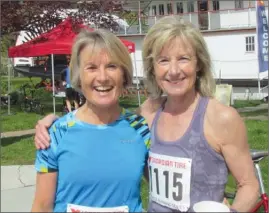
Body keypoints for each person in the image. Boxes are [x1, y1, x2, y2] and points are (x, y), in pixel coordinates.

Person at [34, 16, 259, 212]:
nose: (174, 71)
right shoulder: (147, 116)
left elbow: (249, 185)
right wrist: (53, 124)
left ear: (198, 63)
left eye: (183, 58)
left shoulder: (220, 118)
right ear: (153, 68)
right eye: (163, 60)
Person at [31, 29, 150, 212]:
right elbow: (41, 206)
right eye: (92, 67)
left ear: (124, 74)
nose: (102, 77)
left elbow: (164, 195)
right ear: (79, 75)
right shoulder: (56, 134)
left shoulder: (142, 129)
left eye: (112, 66)